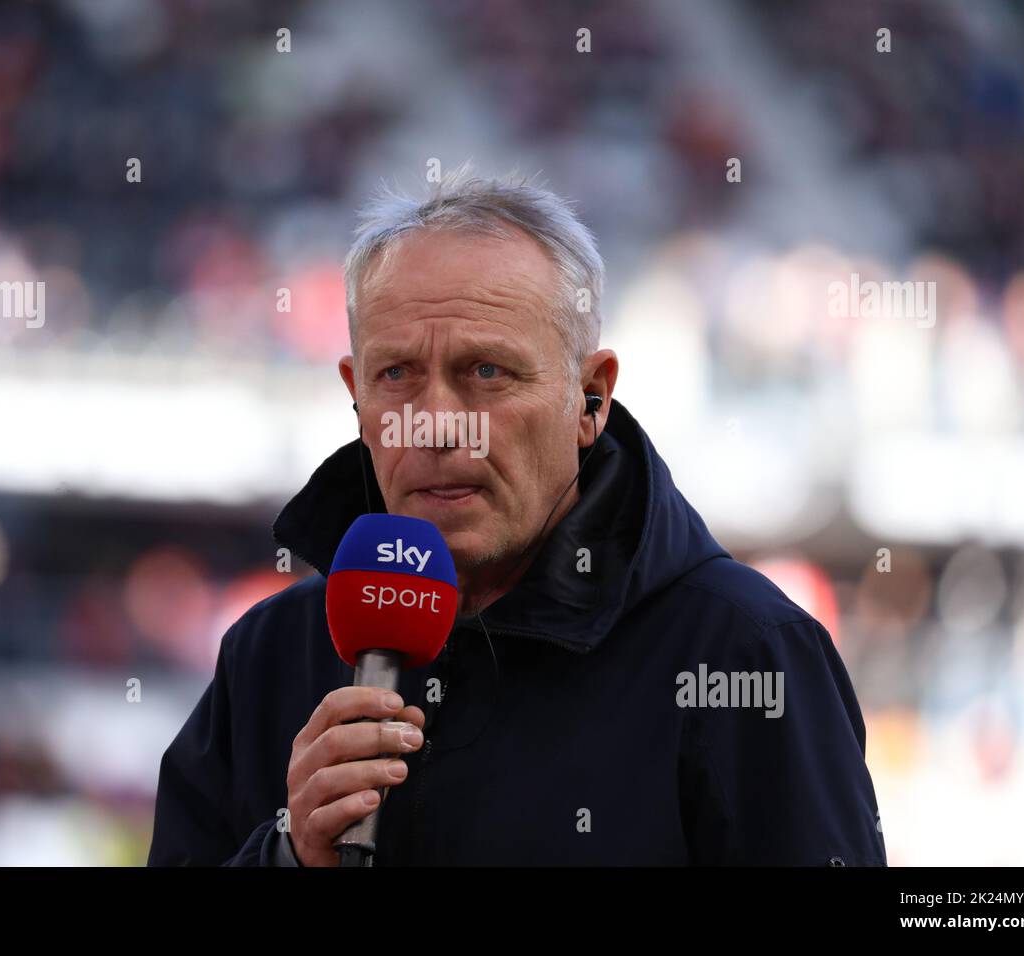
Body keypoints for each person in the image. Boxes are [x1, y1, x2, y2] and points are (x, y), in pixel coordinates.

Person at [147, 164, 887, 866]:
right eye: (396, 374)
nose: (436, 424)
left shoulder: (745, 652)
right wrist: (287, 856)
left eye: (486, 372)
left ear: (590, 398)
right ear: (356, 395)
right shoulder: (271, 655)